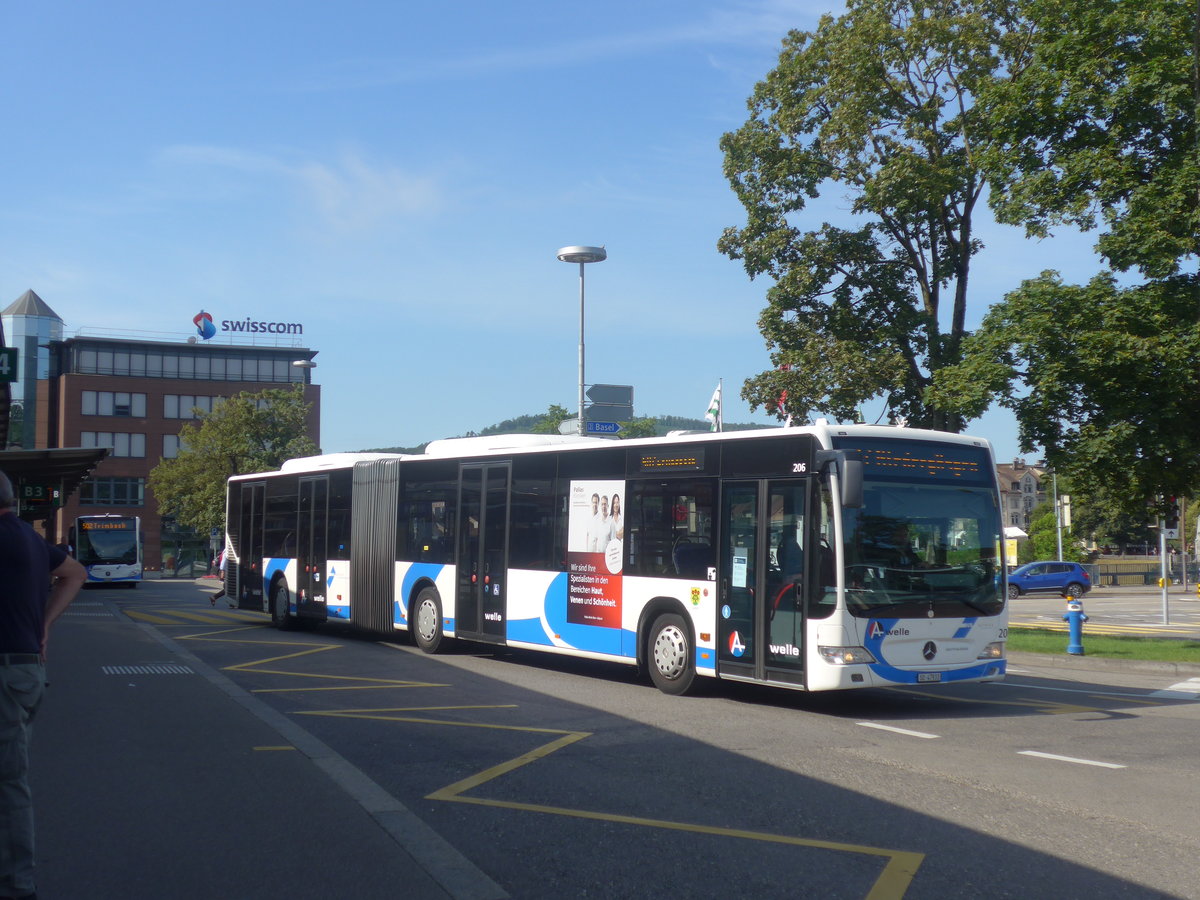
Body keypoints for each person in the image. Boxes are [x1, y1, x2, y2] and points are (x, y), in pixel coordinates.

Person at [0, 469, 86, 900]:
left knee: (8, 781)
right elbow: (75, 573)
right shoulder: (32, 540)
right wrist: (44, 626)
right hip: (25, 669)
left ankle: (17, 885)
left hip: (5, 670)